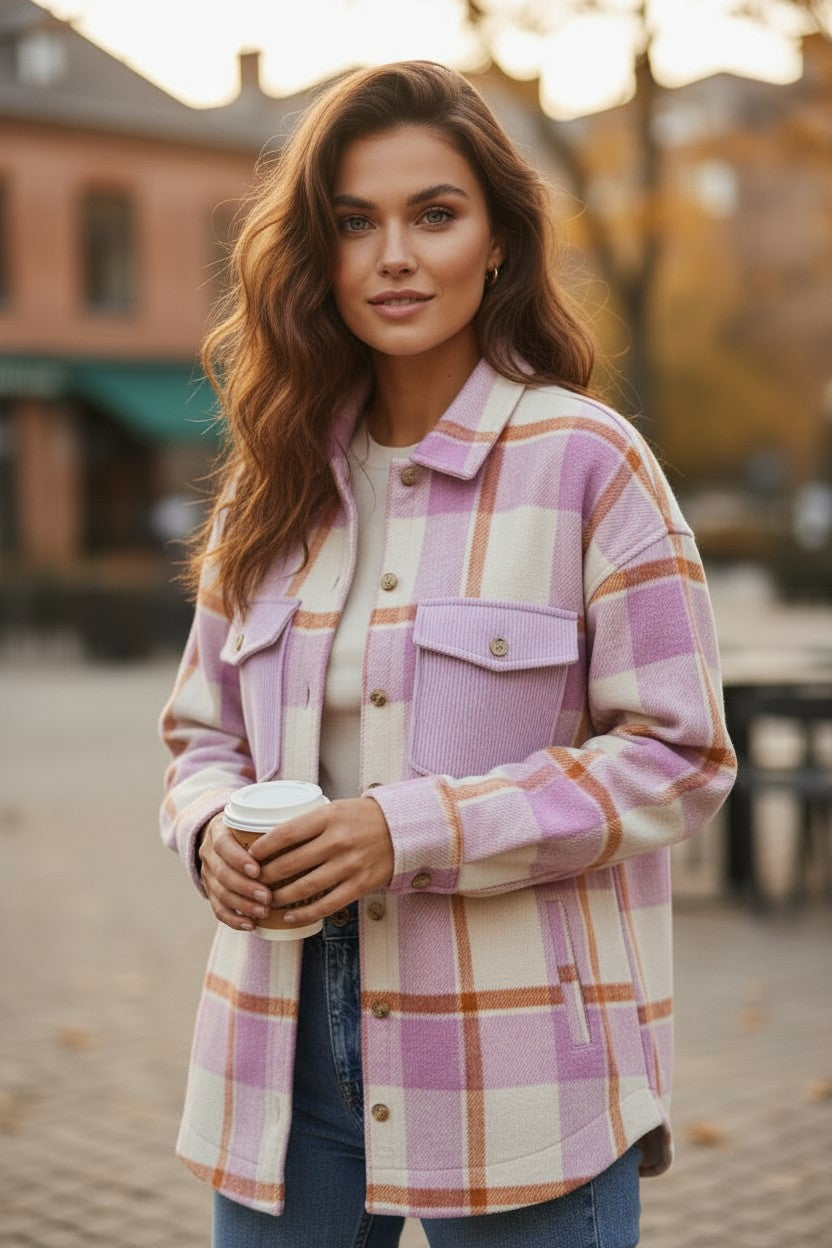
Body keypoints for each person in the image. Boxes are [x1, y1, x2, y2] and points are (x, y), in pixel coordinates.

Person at [159, 60, 736, 1248]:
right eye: (353, 222)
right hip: (280, 1061)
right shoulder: (267, 486)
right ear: (313, 255)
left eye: (434, 214)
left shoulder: (590, 462)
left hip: (520, 1061)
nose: (395, 256)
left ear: (496, 242)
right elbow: (198, 738)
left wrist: (405, 829)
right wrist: (209, 831)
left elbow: (679, 758)